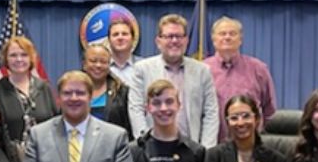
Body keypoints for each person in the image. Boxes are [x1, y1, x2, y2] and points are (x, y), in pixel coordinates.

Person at [128, 14, 219, 147]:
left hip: (192, 150)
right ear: (158, 41)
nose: (175, 41)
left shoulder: (202, 71)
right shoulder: (142, 70)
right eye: (169, 36)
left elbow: (211, 112)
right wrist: (145, 144)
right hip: (154, 148)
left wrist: (206, 150)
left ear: (187, 40)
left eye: (179, 36)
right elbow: (136, 109)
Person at [204, 17, 277, 142]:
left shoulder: (258, 69)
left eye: (232, 33)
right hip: (212, 145)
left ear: (240, 39)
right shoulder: (202, 70)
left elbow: (269, 111)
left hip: (250, 145)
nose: (227, 37)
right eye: (222, 34)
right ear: (214, 39)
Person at [0, 36, 57, 143]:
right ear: (6, 59)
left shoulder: (44, 87)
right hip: (10, 154)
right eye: (13, 55)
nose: (19, 59)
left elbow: (55, 122)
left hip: (45, 151)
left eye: (24, 55)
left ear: (31, 58)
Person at [82, 43, 132, 138]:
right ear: (84, 64)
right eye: (93, 61)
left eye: (103, 61)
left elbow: (129, 128)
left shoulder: (122, 92)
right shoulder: (73, 91)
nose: (98, 65)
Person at [107, 19, 141, 86]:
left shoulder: (143, 66)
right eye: (115, 34)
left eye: (124, 34)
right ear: (109, 40)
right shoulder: (101, 68)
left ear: (133, 39)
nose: (120, 38)